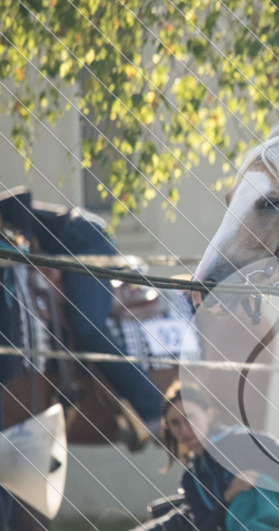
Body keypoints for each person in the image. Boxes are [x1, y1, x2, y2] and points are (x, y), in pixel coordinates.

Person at [0, 186, 163, 437]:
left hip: (85, 239)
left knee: (86, 324)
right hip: (73, 239)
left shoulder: (6, 209)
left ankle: (152, 409)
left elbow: (18, 238)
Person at [160, 381, 279, 531]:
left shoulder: (243, 441)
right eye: (175, 423)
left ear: (209, 415)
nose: (184, 429)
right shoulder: (191, 478)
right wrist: (228, 498)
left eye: (190, 417)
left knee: (253, 488)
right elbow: (205, 526)